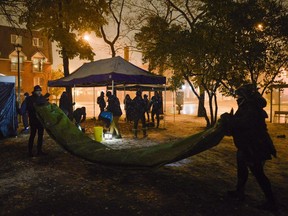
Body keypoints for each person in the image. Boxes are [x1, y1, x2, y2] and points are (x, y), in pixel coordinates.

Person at [220, 84, 278, 212]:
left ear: (246, 96)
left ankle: (271, 202)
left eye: (239, 95)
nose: (237, 98)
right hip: (247, 145)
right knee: (242, 170)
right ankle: (239, 192)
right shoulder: (247, 107)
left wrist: (229, 120)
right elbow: (239, 122)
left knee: (258, 173)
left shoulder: (251, 108)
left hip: (255, 146)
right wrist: (231, 119)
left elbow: (243, 124)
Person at [21, 85, 47, 157]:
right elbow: (23, 109)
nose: (39, 92)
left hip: (41, 121)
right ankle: (30, 151)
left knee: (40, 136)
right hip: (33, 120)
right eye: (37, 91)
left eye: (40, 91)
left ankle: (39, 151)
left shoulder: (42, 98)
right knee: (32, 135)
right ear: (34, 91)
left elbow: (46, 109)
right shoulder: (29, 99)